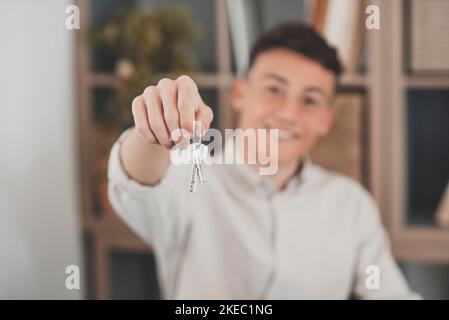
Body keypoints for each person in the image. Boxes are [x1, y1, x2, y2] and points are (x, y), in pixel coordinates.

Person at [108, 23, 419, 299]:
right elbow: (136, 183)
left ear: (327, 118)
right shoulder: (190, 179)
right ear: (240, 92)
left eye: (309, 100)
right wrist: (152, 131)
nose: (288, 113)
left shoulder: (352, 205)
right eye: (274, 89)